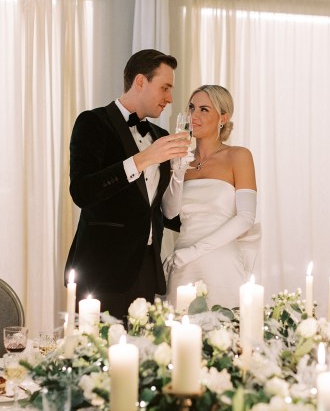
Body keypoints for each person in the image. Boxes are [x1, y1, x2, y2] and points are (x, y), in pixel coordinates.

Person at [64, 49, 191, 319]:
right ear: (141, 82)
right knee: (94, 357)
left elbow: (161, 209)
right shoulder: (93, 122)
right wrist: (143, 159)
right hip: (101, 271)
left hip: (146, 270)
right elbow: (82, 192)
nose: (170, 98)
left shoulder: (162, 136)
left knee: (143, 356)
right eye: (165, 88)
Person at [162, 84, 260, 309]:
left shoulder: (238, 156)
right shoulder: (179, 158)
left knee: (224, 336)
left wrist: (192, 253)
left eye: (204, 109)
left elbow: (246, 218)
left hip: (220, 261)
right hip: (182, 263)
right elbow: (169, 212)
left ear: (223, 117)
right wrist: (177, 171)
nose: (194, 115)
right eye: (191, 107)